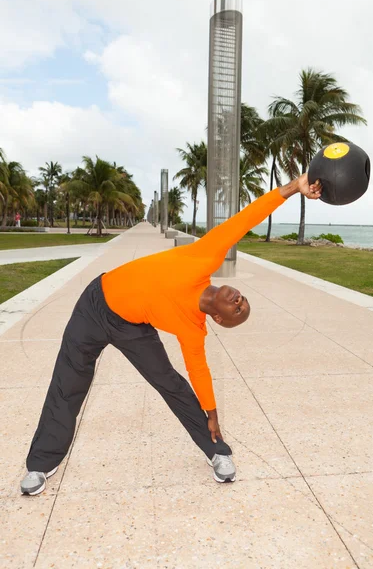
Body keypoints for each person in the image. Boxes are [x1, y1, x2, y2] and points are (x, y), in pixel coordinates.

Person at [20, 174, 322, 495]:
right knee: (69, 382)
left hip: (133, 328)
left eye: (238, 310)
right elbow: (245, 219)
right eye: (242, 300)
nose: (239, 301)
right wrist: (293, 188)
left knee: (172, 384)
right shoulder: (205, 255)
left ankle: (216, 451)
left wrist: (213, 414)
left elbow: (199, 371)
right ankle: (41, 463)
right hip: (94, 304)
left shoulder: (193, 329)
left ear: (218, 318)